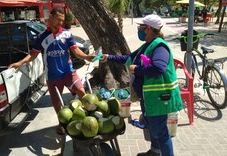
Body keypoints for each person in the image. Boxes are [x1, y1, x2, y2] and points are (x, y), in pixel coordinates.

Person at [101, 14, 183, 156]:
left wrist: (136, 69)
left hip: (159, 98)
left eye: (141, 27)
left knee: (161, 132)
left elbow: (159, 68)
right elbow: (128, 58)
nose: (139, 29)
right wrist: (109, 57)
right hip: (149, 97)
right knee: (153, 127)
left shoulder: (160, 46)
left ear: (149, 29)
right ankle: (155, 151)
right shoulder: (147, 46)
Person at [9, 7, 94, 135]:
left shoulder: (67, 34)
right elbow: (33, 54)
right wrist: (20, 63)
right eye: (59, 20)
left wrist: (87, 57)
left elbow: (76, 51)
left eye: (62, 20)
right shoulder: (42, 37)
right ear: (51, 18)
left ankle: (88, 118)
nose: (61, 23)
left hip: (68, 72)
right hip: (53, 76)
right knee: (57, 104)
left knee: (82, 91)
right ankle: (62, 124)